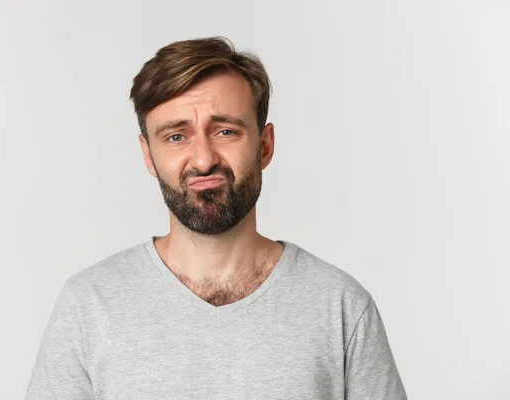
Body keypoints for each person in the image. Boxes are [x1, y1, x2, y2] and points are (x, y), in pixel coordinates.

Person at [24, 36, 408, 399]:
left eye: (225, 131)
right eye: (176, 136)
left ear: (265, 145)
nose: (204, 158)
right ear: (148, 155)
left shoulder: (341, 306)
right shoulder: (88, 305)